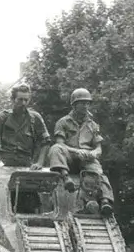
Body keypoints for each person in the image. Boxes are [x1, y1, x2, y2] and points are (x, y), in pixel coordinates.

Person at [47, 88, 114, 217]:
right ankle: (66, 178)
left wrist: (94, 153)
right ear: (74, 104)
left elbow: (99, 148)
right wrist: (76, 151)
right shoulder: (63, 122)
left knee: (98, 172)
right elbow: (60, 143)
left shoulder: (93, 125)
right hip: (69, 156)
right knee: (55, 149)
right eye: (82, 103)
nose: (85, 106)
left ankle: (105, 202)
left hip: (86, 158)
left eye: (87, 103)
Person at [0, 84, 50, 169]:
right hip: (5, 163)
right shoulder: (3, 117)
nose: (23, 103)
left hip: (27, 164)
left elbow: (46, 141)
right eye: (20, 99)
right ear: (12, 99)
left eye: (26, 100)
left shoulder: (35, 118)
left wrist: (39, 163)